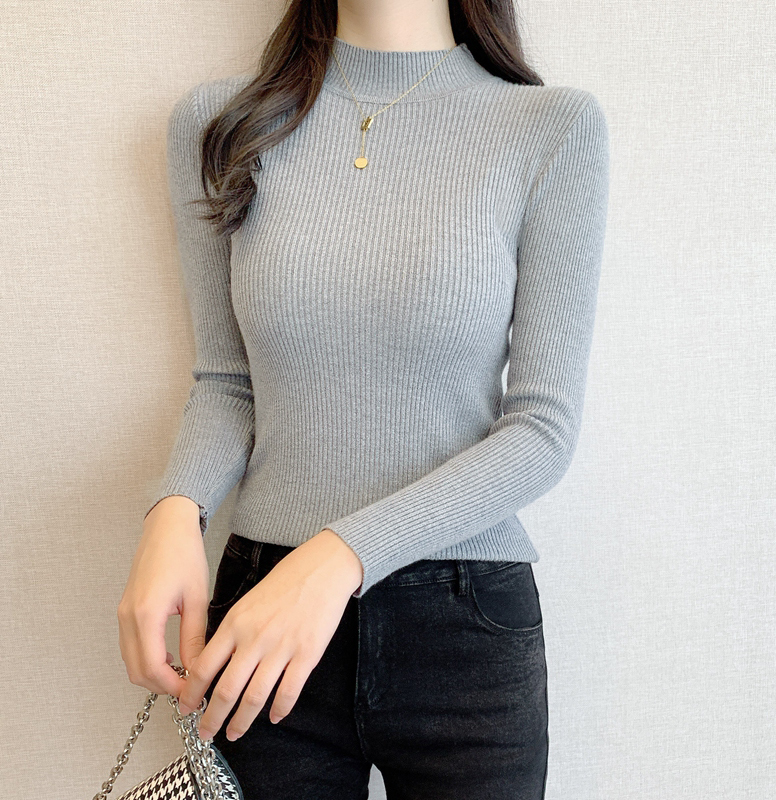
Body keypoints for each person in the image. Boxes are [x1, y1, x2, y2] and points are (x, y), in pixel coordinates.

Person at [117, 0, 610, 797]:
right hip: (262, 623)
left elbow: (542, 429)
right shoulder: (219, 124)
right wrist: (175, 511)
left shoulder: (551, 128)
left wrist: (337, 558)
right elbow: (229, 381)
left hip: (464, 633)